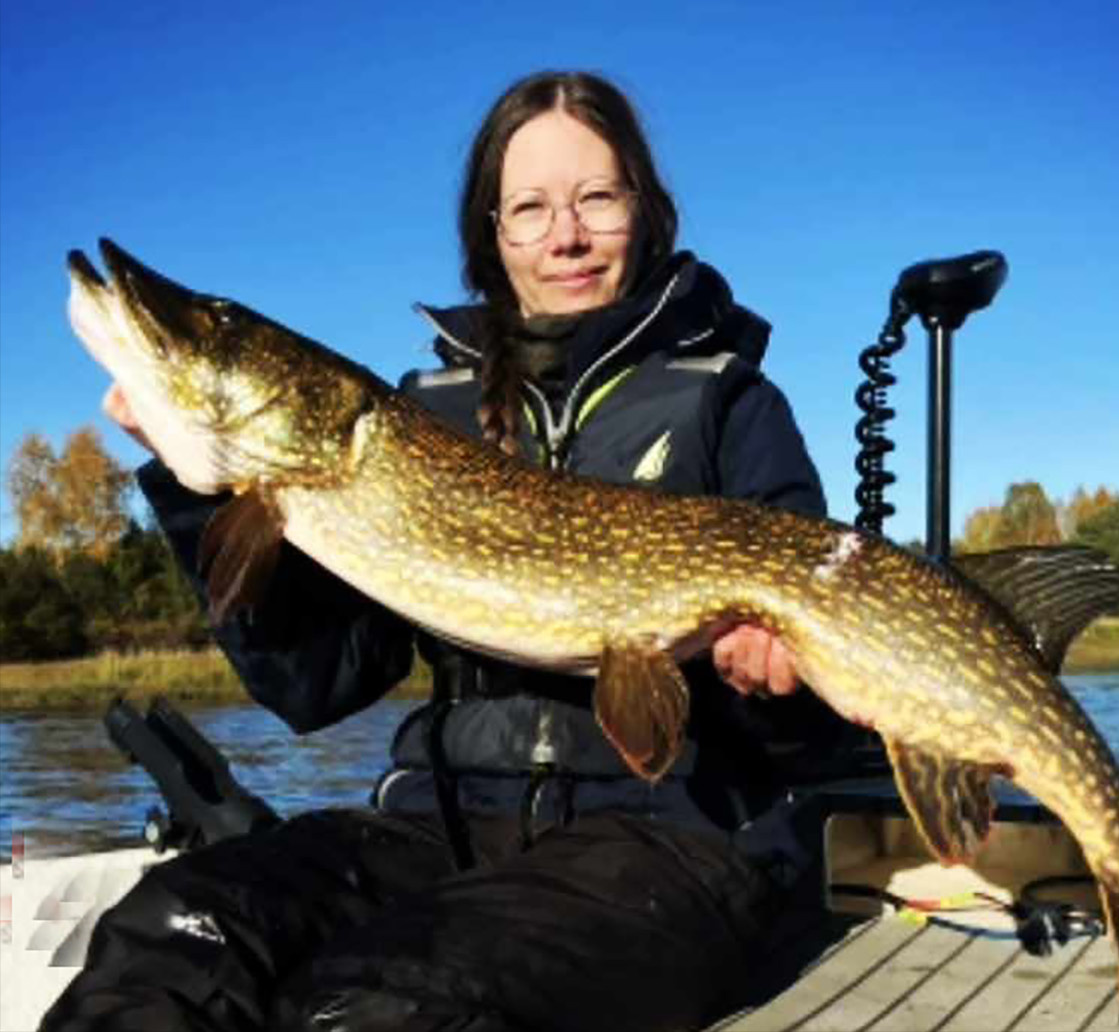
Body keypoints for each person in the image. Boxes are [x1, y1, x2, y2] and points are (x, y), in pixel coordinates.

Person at [45, 70, 869, 1032]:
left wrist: (771, 686)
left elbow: (813, 732)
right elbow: (315, 687)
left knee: (388, 1005)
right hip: (435, 823)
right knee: (166, 936)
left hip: (667, 840)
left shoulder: (728, 402)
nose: (565, 235)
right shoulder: (419, 418)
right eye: (531, 208)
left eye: (597, 198)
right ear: (494, 232)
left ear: (645, 211)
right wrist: (201, 494)